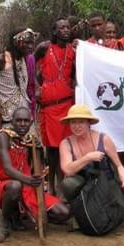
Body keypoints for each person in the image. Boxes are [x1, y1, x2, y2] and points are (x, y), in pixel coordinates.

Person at [0, 107, 70, 243]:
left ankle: (21, 214)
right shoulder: (3, 136)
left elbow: (37, 168)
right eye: (18, 120)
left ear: (31, 123)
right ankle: (4, 221)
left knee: (63, 213)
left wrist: (38, 149)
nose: (22, 124)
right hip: (1, 185)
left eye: (26, 121)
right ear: (12, 121)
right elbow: (8, 169)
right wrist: (29, 180)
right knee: (15, 186)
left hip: (26, 187)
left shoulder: (29, 139)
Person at [58, 104, 124, 211]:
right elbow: (68, 170)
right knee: (68, 184)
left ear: (88, 123)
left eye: (81, 122)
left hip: (106, 181)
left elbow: (118, 165)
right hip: (83, 183)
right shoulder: (65, 143)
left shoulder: (103, 138)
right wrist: (88, 157)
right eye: (73, 122)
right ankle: (78, 207)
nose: (77, 126)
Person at [35, 18, 75, 195]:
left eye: (68, 27)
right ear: (54, 31)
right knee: (51, 148)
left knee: (65, 146)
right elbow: (29, 64)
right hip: (49, 107)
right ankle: (50, 185)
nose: (66, 30)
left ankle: (61, 184)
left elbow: (73, 75)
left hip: (66, 105)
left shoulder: (72, 51)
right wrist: (36, 87)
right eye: (62, 28)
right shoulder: (44, 47)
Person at [0, 28, 37, 129]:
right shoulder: (1, 60)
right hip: (7, 121)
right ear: (16, 42)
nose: (30, 46)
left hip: (24, 120)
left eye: (32, 43)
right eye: (27, 43)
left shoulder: (24, 59)